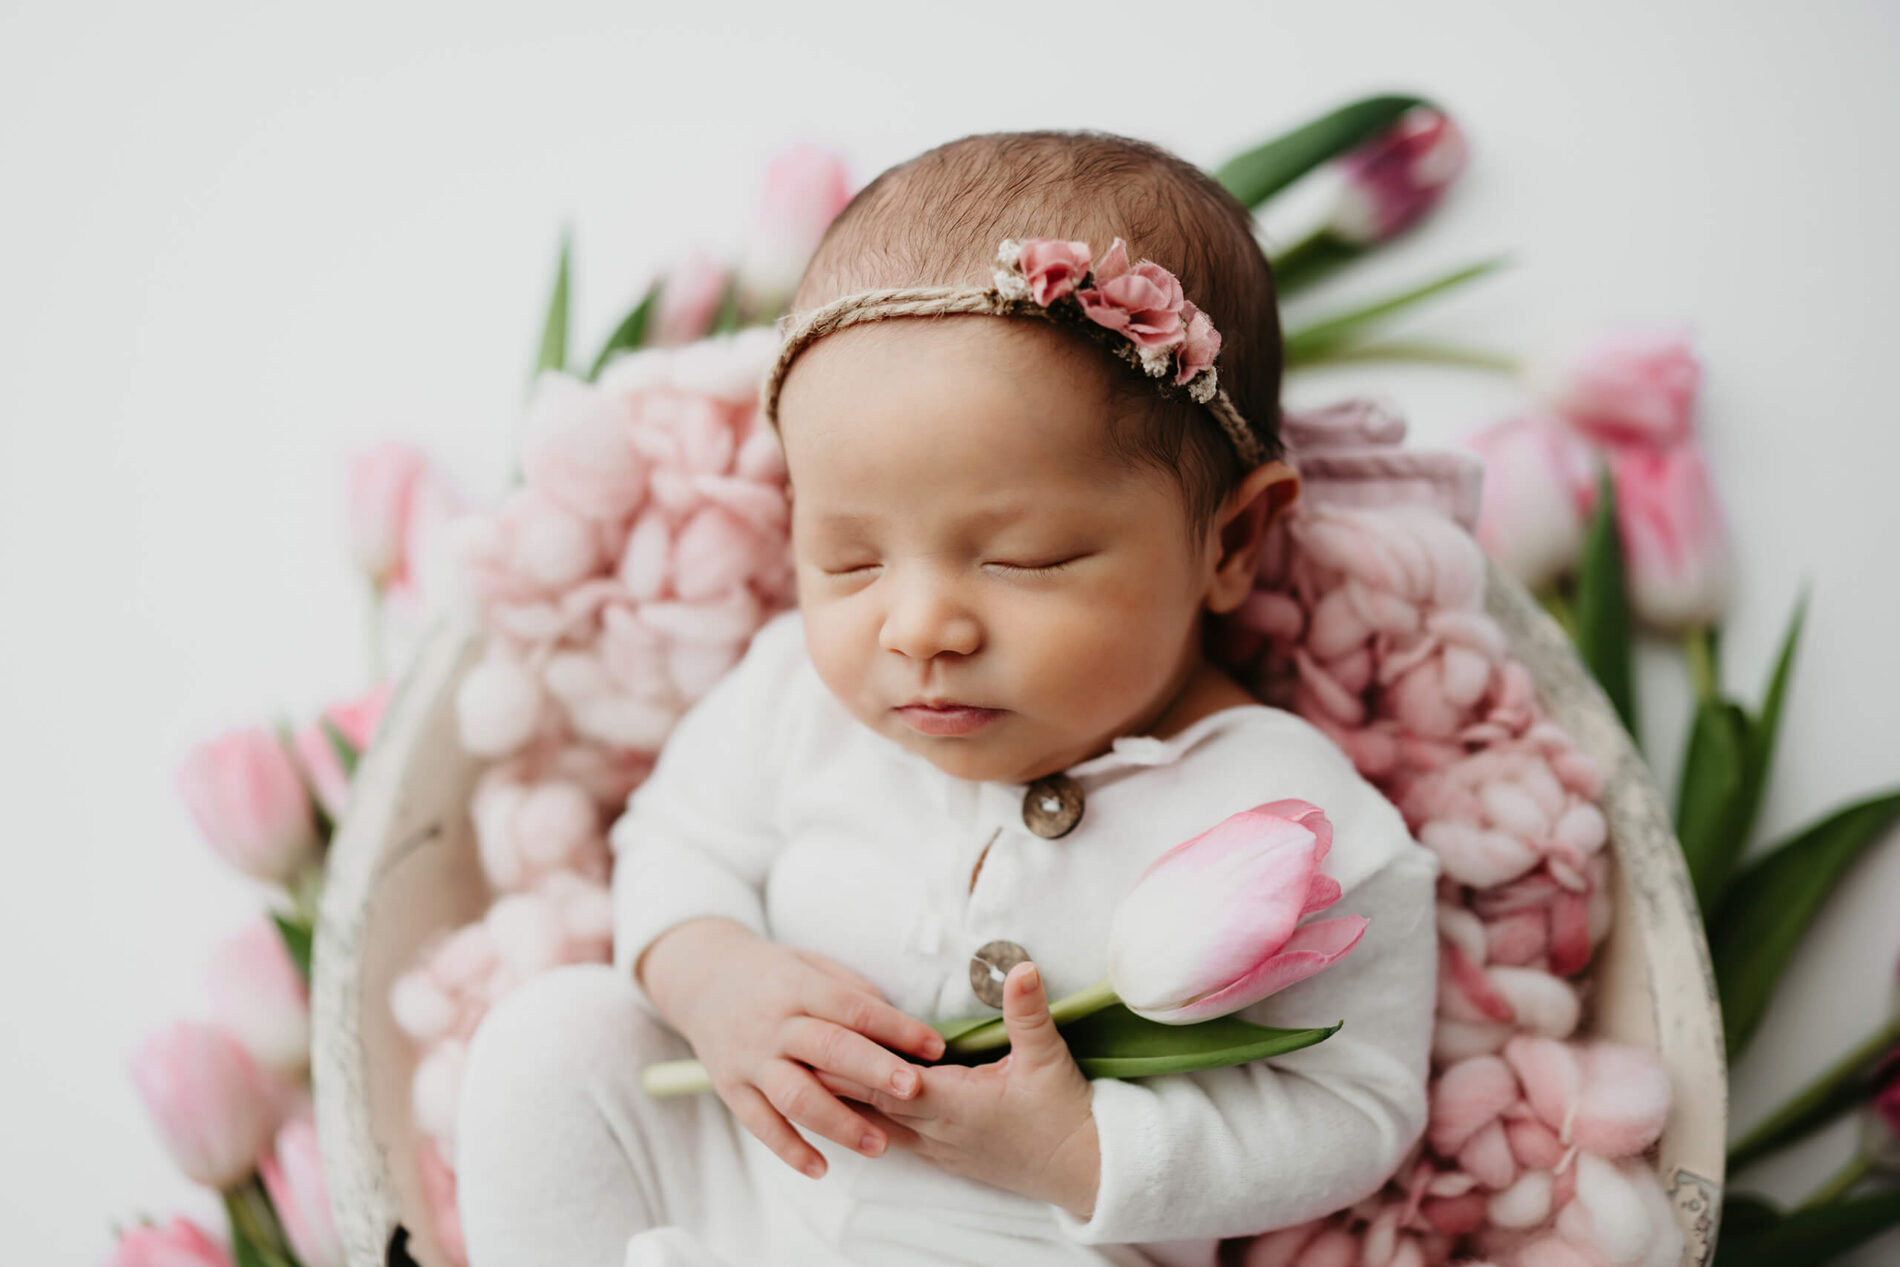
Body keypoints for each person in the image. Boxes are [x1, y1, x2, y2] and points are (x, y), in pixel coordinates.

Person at [454, 129, 1441, 1267]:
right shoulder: (792, 694)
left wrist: (1081, 1150)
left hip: (1024, 1236)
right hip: (742, 1171)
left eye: (1020, 558)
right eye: (848, 560)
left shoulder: (1290, 823)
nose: (917, 627)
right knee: (552, 1041)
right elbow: (676, 840)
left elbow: (1359, 1104)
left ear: (1232, 540)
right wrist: (713, 975)